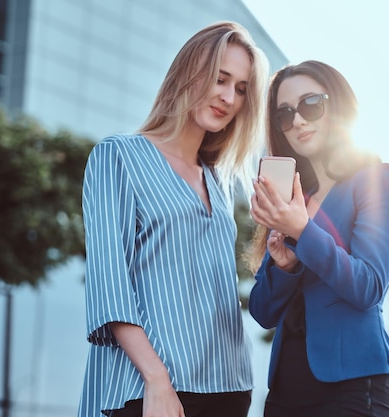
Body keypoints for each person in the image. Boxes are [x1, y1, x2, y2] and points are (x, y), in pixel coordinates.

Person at [77, 21, 269, 417]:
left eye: (241, 88)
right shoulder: (119, 156)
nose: (228, 97)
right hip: (147, 388)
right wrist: (157, 380)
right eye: (220, 79)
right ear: (188, 73)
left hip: (229, 388)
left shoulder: (217, 180)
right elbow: (110, 282)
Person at [247, 60, 389, 417]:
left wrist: (303, 231)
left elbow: (367, 286)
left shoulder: (377, 180)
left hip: (352, 388)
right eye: (285, 114)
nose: (298, 121)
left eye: (311, 105)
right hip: (284, 393)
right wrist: (285, 266)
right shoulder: (294, 200)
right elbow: (262, 311)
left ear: (336, 105)